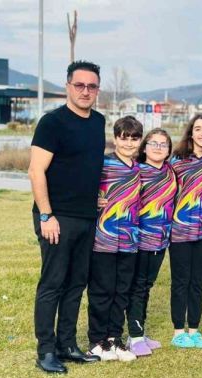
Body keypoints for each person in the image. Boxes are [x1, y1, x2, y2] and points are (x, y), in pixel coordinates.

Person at [28, 60, 104, 373]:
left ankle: (67, 345)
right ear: (67, 87)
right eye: (79, 85)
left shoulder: (98, 122)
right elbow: (36, 171)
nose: (86, 91)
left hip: (87, 218)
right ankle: (46, 351)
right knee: (53, 283)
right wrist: (47, 215)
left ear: (97, 90)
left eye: (92, 86)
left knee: (76, 284)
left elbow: (86, 167)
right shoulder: (52, 123)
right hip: (57, 217)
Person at [86, 116, 142, 362]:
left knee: (122, 291)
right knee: (102, 290)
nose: (129, 143)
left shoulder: (139, 168)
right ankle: (97, 341)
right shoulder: (103, 164)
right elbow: (81, 187)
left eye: (134, 138)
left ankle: (114, 338)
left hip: (129, 239)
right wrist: (92, 199)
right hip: (103, 238)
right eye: (124, 138)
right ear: (115, 138)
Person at [169, 114, 202, 349]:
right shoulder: (177, 161)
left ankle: (194, 331)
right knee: (181, 281)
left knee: (198, 282)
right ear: (191, 132)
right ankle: (179, 331)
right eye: (198, 129)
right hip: (180, 229)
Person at [126, 128, 177, 356]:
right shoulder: (136, 171)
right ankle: (135, 336)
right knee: (137, 286)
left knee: (147, 285)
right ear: (144, 147)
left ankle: (139, 332)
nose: (158, 148)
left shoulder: (171, 172)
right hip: (138, 239)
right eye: (153, 143)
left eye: (163, 144)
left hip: (161, 240)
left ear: (168, 150)